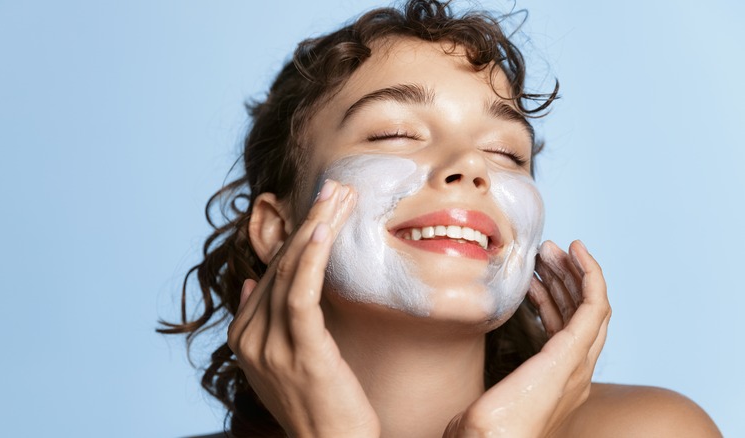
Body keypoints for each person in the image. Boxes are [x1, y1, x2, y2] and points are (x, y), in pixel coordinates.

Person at [160, 1, 721, 436]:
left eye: (506, 153)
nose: (471, 166)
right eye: (395, 134)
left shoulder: (653, 430)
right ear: (277, 226)